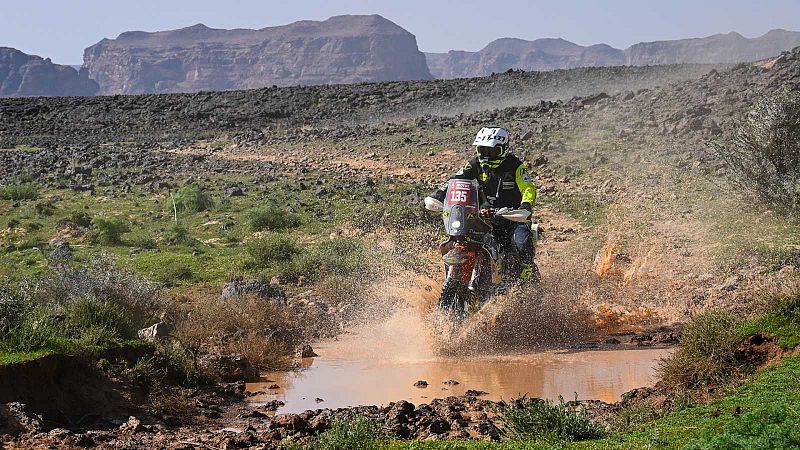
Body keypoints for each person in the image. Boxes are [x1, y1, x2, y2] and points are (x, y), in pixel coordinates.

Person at [427, 126, 539, 282]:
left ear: (504, 149)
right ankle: (455, 276)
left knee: (520, 241)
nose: (487, 156)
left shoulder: (515, 166)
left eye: (493, 151)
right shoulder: (474, 164)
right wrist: (438, 195)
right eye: (483, 151)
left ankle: (527, 270)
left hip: (512, 217)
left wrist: (526, 205)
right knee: (461, 237)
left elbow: (528, 187)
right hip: (482, 215)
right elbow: (455, 179)